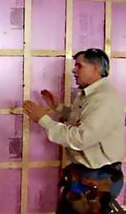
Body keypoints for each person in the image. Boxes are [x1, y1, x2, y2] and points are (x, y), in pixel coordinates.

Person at [24, 48, 125, 213]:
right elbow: (82, 119)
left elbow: (81, 138)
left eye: (79, 66)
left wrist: (43, 119)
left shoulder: (104, 99)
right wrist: (59, 108)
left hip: (98, 177)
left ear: (96, 68)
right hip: (87, 174)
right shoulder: (91, 94)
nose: (74, 70)